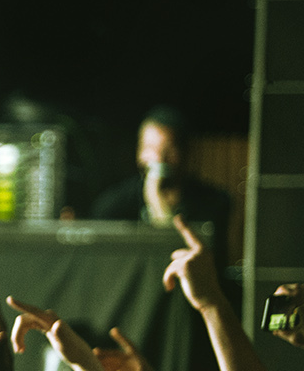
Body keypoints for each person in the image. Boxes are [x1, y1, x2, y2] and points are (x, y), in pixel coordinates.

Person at [91, 105, 231, 262]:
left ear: (185, 152)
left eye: (168, 150)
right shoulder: (113, 205)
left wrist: (155, 197)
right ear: (139, 152)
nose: (158, 159)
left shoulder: (213, 202)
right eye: (150, 148)